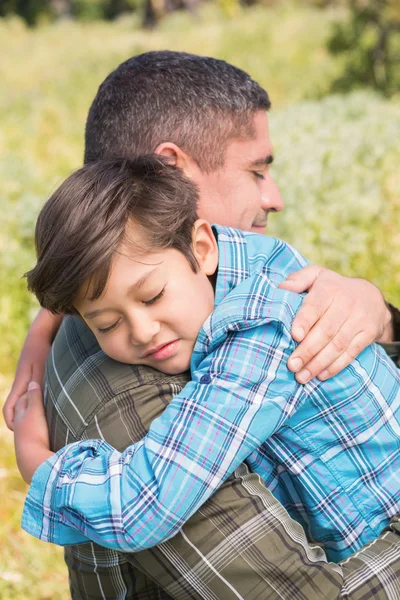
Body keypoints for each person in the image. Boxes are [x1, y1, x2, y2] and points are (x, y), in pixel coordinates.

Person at [7, 52, 400, 598]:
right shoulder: (159, 368)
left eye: (152, 297)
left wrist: (37, 464)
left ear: (201, 246)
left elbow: (143, 505)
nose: (142, 332)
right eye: (256, 171)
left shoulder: (259, 312)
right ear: (172, 170)